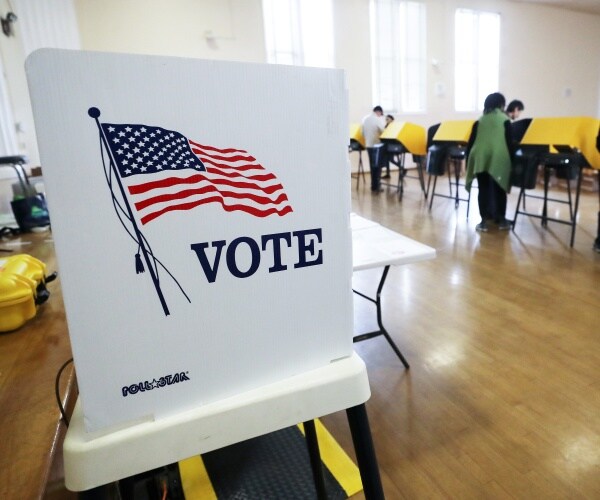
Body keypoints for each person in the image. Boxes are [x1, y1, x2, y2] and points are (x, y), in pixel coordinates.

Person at [466, 92, 514, 232]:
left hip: (480, 158)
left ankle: (484, 221)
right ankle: (501, 219)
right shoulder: (505, 119)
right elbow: (509, 142)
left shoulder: (480, 120)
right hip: (499, 157)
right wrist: (512, 161)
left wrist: (469, 159)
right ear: (501, 105)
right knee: (500, 188)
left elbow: (471, 142)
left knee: (483, 188)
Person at [362, 105, 386, 191]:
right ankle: (376, 186)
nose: (380, 116)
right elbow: (383, 131)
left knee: (372, 166)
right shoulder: (377, 119)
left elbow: (362, 133)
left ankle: (373, 186)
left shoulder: (365, 119)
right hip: (377, 146)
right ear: (378, 112)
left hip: (368, 145)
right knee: (377, 167)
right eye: (380, 114)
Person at [381, 114, 395, 179]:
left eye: (388, 119)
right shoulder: (386, 126)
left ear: (392, 120)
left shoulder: (393, 126)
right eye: (386, 119)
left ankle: (402, 169)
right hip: (386, 145)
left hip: (391, 145)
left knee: (391, 159)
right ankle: (388, 174)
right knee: (387, 160)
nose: (386, 120)